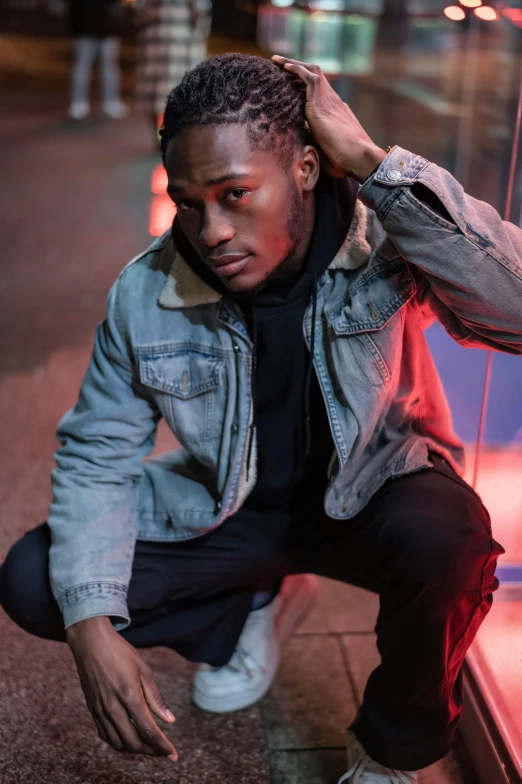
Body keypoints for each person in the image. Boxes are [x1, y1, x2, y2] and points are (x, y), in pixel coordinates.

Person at [0, 53, 519, 782]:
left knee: (452, 540)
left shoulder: (381, 243)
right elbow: (97, 453)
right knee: (34, 580)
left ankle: (392, 750)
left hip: (369, 497)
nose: (210, 229)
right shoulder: (146, 291)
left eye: (234, 194)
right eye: (188, 201)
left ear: (307, 168)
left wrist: (376, 166)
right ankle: (258, 597)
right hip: (229, 510)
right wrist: (91, 625)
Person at [135, 0, 212, 145]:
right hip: (155, 47)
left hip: (182, 48)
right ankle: (161, 140)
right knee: (155, 98)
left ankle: (178, 141)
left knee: (184, 97)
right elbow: (139, 13)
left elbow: (202, 14)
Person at [64, 0, 130, 120]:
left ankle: (111, 102)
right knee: (82, 66)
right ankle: (78, 103)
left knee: (109, 66)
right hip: (83, 27)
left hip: (107, 27)